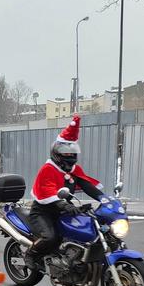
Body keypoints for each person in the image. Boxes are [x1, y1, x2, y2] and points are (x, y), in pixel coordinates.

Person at [26, 115, 104, 269]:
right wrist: (64, 204)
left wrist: (104, 198)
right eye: (66, 153)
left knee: (84, 231)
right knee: (50, 237)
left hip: (62, 210)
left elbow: (86, 185)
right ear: (57, 153)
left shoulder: (74, 170)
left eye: (72, 153)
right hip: (42, 212)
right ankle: (31, 254)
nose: (69, 156)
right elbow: (47, 191)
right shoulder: (48, 169)